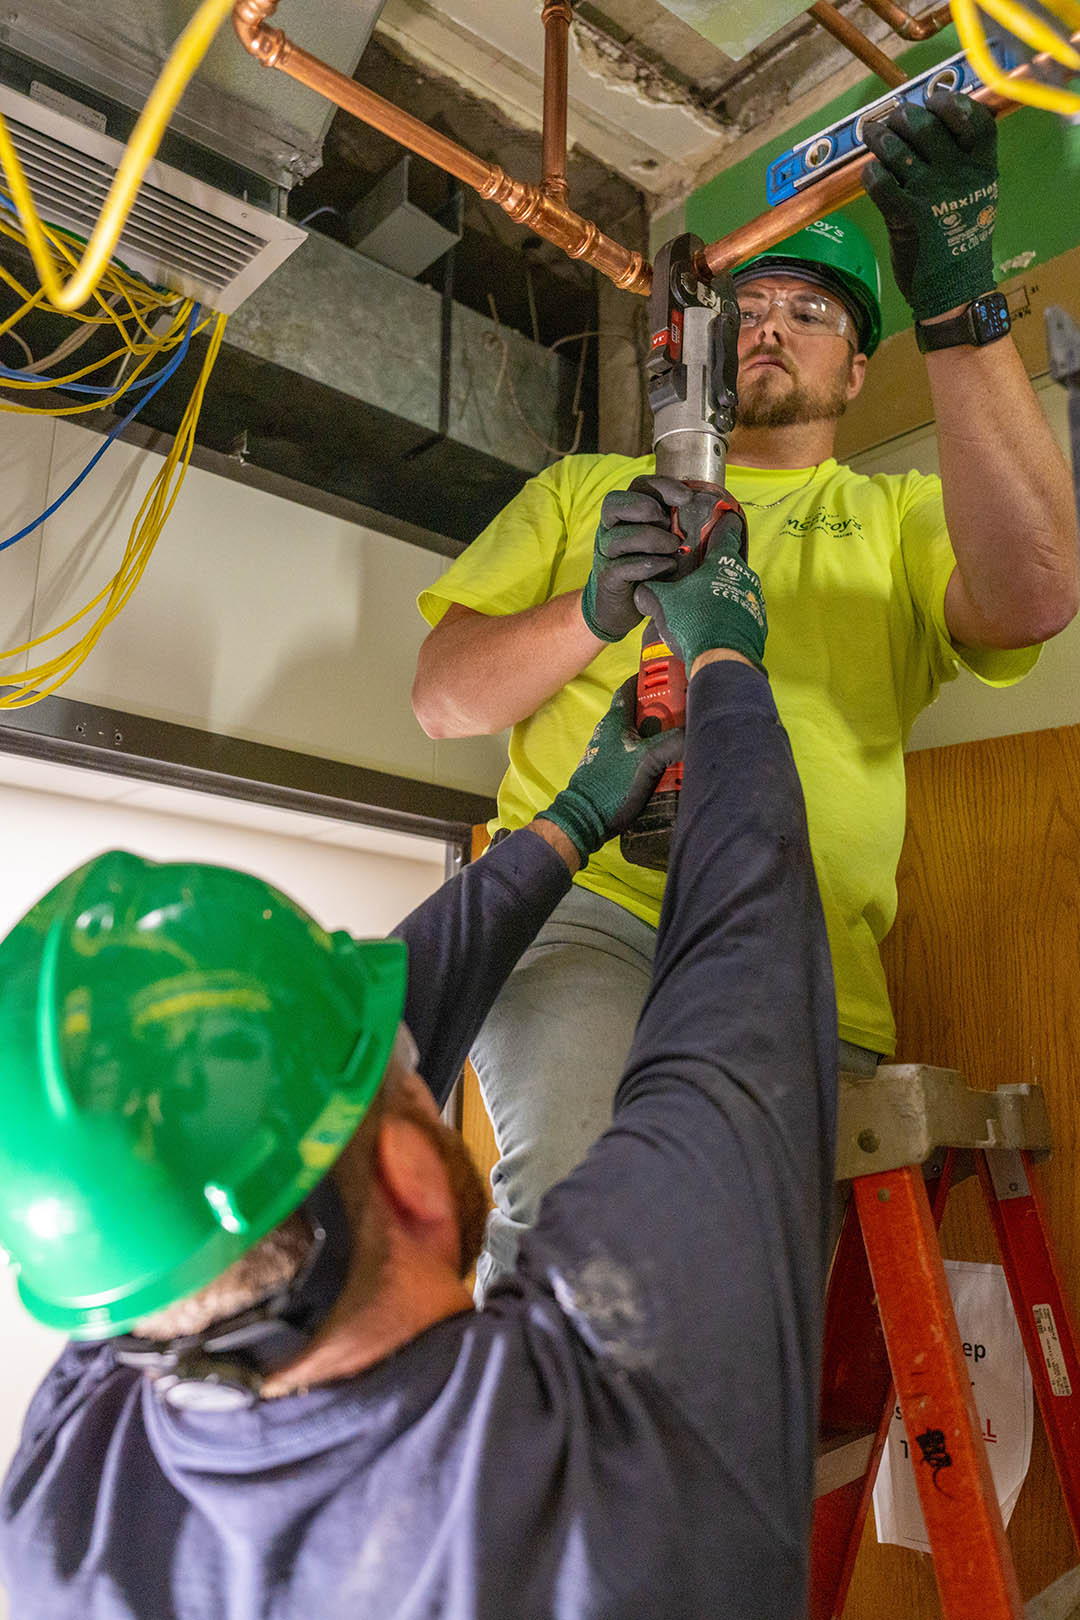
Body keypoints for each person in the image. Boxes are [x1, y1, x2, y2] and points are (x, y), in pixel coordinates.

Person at [0, 545, 834, 1620]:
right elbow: (743, 988)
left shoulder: (65, 1503)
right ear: (411, 1178)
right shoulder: (601, 1466)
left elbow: (288, 1121)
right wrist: (726, 656)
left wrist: (571, 823)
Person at [411, 90, 1079, 1295]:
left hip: (801, 942)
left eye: (811, 311)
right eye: (750, 309)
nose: (771, 327)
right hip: (590, 912)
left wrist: (962, 306)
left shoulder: (900, 515)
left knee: (752, 1293)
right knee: (587, 1229)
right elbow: (443, 703)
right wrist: (592, 610)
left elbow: (1033, 594)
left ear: (859, 360)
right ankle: (542, 1470)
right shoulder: (588, 491)